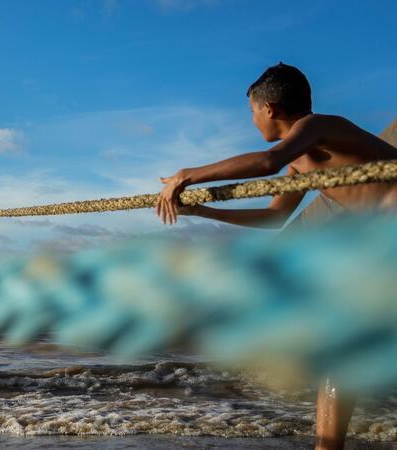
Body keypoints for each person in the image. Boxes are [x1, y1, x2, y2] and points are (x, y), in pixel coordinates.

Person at [156, 63, 397, 450]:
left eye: (252, 112)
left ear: (269, 109)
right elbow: (274, 217)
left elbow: (268, 161)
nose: (252, 121)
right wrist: (202, 210)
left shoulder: (319, 126)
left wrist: (188, 173)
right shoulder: (301, 160)